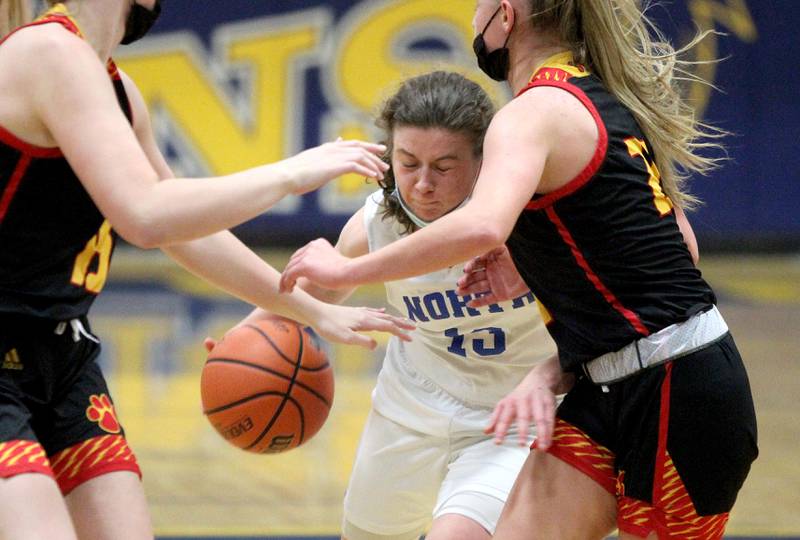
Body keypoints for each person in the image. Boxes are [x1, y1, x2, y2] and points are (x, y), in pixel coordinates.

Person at [279, 1, 758, 539]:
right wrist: (537, 267)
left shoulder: (532, 112)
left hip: (680, 387)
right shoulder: (591, 92)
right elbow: (678, 245)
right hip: (602, 385)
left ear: (504, 17)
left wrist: (347, 272)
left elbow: (483, 227)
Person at [0, 1, 413, 539]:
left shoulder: (116, 87)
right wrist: (289, 173)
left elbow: (181, 230)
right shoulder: (49, 52)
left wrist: (308, 309)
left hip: (62, 354)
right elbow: (144, 214)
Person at [209, 71, 556, 540]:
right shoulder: (375, 222)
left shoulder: (536, 223)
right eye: (408, 163)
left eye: (444, 166)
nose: (423, 184)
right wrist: (241, 345)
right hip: (408, 409)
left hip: (509, 418)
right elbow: (309, 300)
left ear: (483, 161)